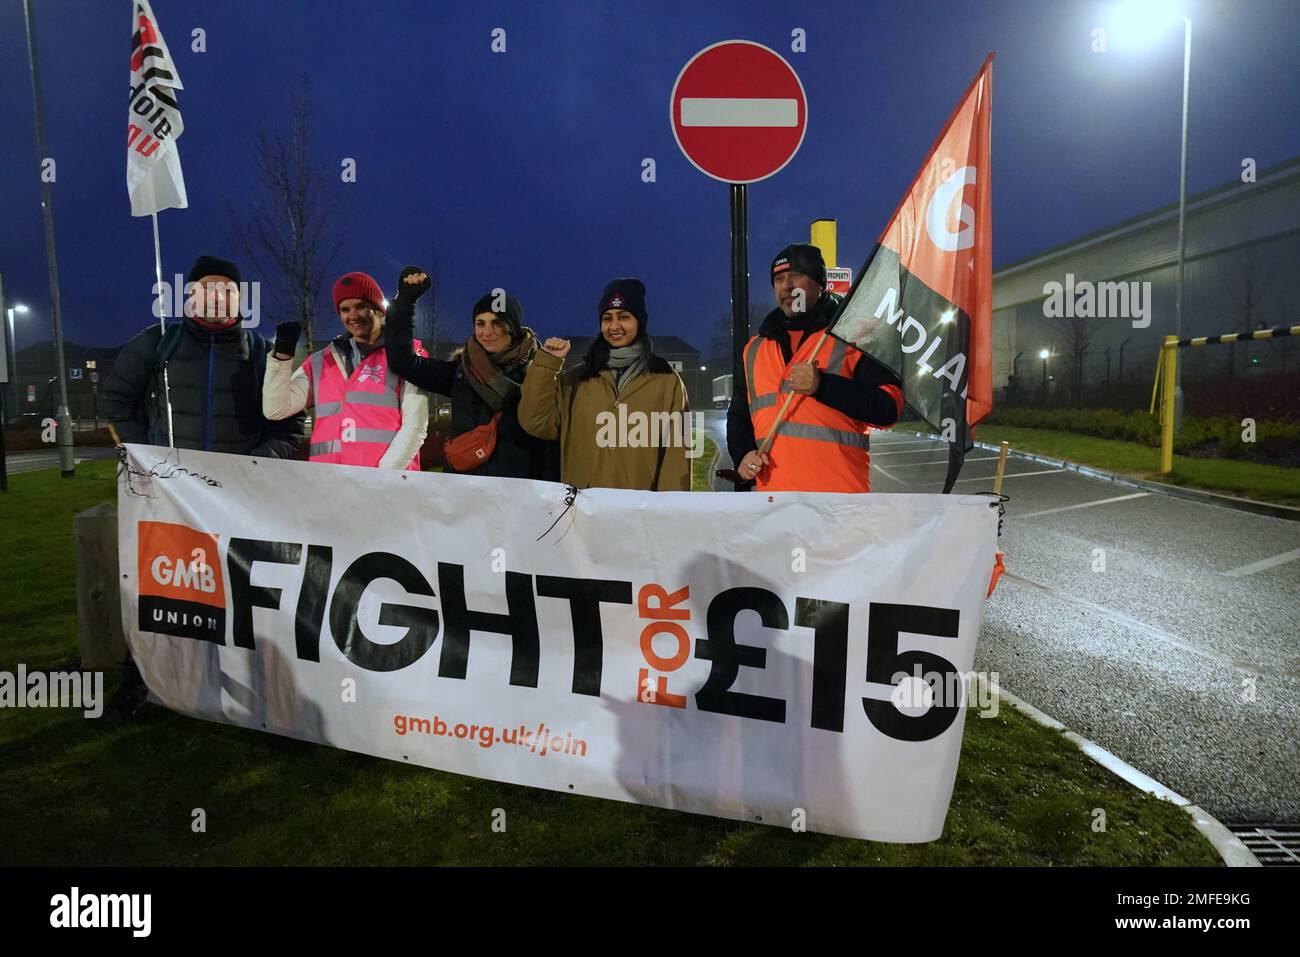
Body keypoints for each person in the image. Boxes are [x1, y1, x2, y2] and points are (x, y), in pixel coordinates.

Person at [727, 243, 903, 492]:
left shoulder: (855, 336)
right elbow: (739, 415)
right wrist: (742, 453)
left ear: (820, 284)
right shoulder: (754, 349)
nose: (787, 286)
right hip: (773, 504)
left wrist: (824, 386)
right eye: (779, 279)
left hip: (838, 502)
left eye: (797, 276)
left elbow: (888, 409)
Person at [101, 254, 305, 457]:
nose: (217, 297)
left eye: (228, 290)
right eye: (207, 288)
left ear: (240, 298)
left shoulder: (261, 351)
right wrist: (144, 454)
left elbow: (288, 422)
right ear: (191, 294)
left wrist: (261, 461)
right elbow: (118, 399)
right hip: (170, 479)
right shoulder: (158, 341)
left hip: (238, 482)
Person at [517, 277, 690, 491]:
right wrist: (547, 364)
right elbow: (535, 422)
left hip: (639, 512)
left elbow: (677, 455)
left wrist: (666, 513)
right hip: (584, 511)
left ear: (640, 322)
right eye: (607, 318)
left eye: (624, 317)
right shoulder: (576, 380)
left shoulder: (666, 380)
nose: (614, 326)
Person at [384, 269, 556, 479]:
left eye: (497, 323)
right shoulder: (461, 373)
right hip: (467, 493)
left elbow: (550, 442)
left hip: (520, 495)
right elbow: (403, 362)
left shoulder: (541, 373)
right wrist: (405, 302)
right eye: (480, 323)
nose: (487, 331)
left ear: (513, 328)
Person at [263, 271, 428, 470]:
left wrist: (383, 477)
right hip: (329, 485)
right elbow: (275, 410)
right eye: (345, 309)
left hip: (385, 487)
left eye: (361, 306)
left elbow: (415, 426)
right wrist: (282, 358)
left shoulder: (410, 355)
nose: (353, 316)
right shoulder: (320, 362)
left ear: (378, 309)